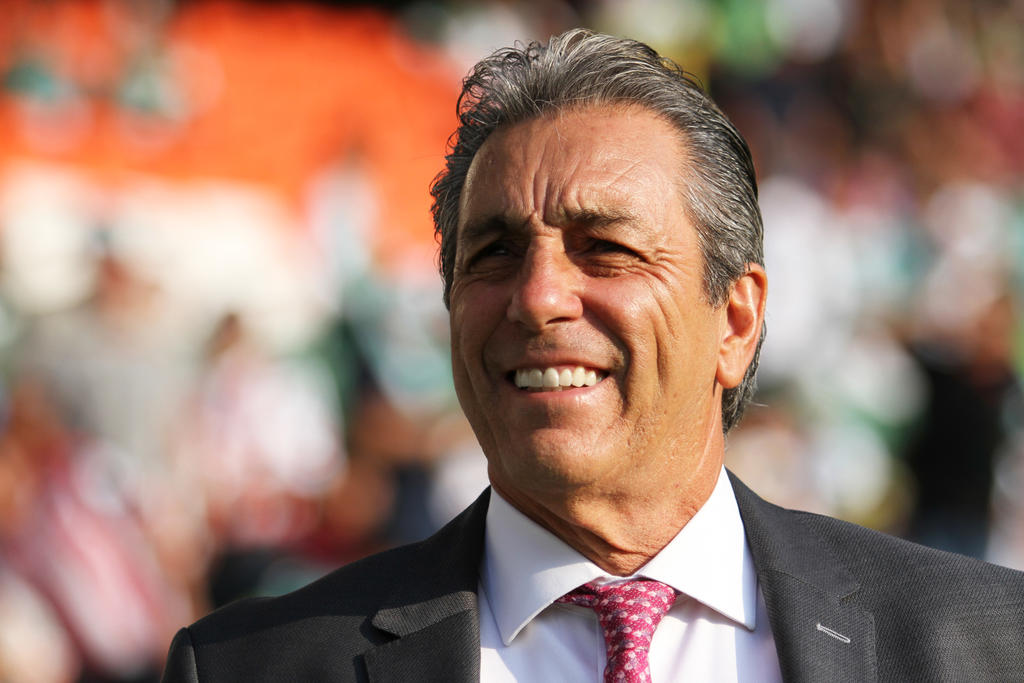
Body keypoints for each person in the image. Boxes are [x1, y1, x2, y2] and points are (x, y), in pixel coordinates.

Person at [161, 29, 1024, 682]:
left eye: (605, 248)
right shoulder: (251, 667)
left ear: (735, 320)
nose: (538, 296)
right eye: (495, 252)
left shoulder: (984, 643)